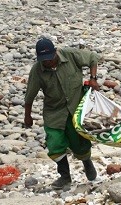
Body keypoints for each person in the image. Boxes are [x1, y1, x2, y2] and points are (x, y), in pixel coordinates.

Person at [24, 38, 100, 190]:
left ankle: (86, 162)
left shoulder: (71, 55)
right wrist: (28, 115)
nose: (48, 63)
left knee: (79, 140)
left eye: (50, 59)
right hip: (54, 112)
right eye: (44, 60)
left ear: (55, 52)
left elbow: (93, 57)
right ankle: (65, 176)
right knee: (54, 142)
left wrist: (93, 79)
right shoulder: (37, 70)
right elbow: (30, 95)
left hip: (75, 107)